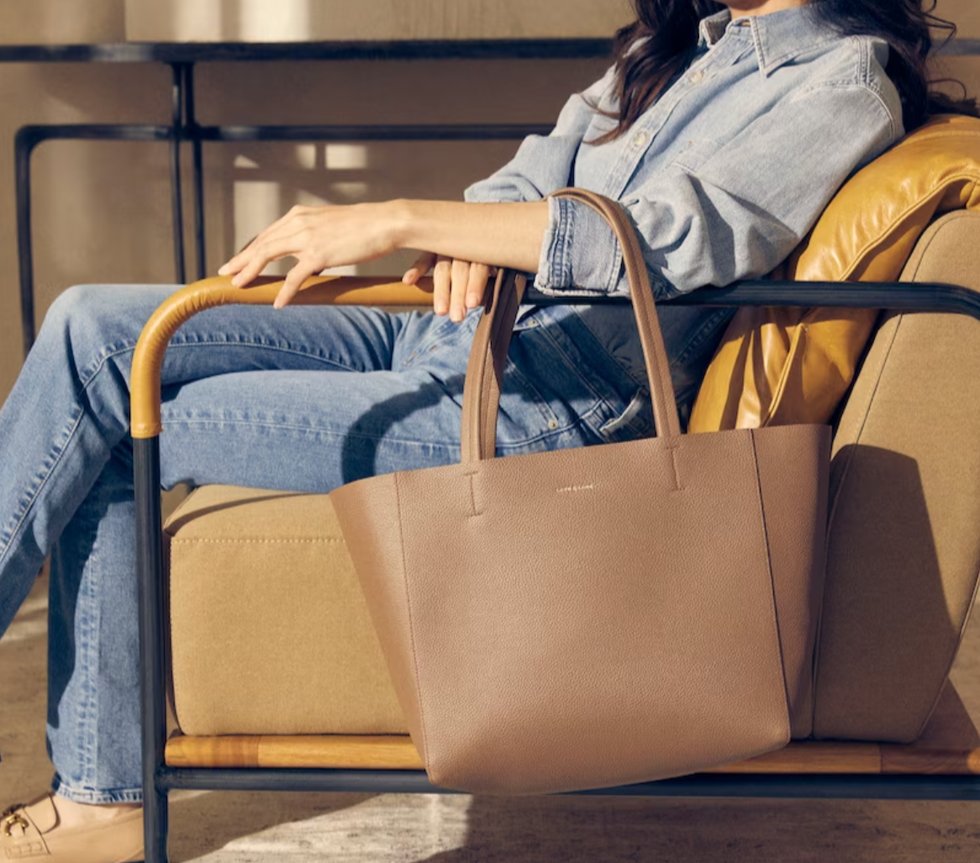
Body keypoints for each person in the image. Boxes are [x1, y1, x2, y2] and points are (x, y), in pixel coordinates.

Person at [0, 0, 973, 860]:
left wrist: (395, 217)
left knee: (136, 428)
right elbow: (528, 176)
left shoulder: (839, 79)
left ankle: (100, 800)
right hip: (443, 330)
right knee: (92, 321)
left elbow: (676, 236)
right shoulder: (681, 47)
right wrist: (467, 233)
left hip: (542, 398)